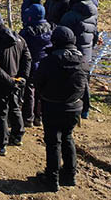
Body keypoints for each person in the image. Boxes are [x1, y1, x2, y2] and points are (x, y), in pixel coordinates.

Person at [32, 26, 88, 192]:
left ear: (55, 41)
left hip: (53, 106)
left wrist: (43, 98)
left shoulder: (49, 61)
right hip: (74, 106)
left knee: (53, 142)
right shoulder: (82, 61)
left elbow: (38, 83)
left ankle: (52, 178)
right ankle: (70, 175)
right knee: (68, 138)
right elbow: (85, 86)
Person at [0, 13, 31, 156]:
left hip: (0, 83)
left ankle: (0, 145)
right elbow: (27, 58)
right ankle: (17, 136)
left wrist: (10, 81)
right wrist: (22, 77)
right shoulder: (20, 39)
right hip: (16, 82)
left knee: (0, 114)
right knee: (15, 108)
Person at [60, 0, 98, 120]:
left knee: (70, 81)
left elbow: (62, 34)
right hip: (86, 53)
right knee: (85, 81)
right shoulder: (93, 13)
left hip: (73, 52)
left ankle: (70, 107)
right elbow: (95, 33)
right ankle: (85, 109)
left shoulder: (71, 15)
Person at [19, 4, 52, 127]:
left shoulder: (27, 32)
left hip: (31, 64)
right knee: (42, 91)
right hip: (45, 64)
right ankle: (39, 117)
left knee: (29, 91)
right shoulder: (50, 28)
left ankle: (28, 118)